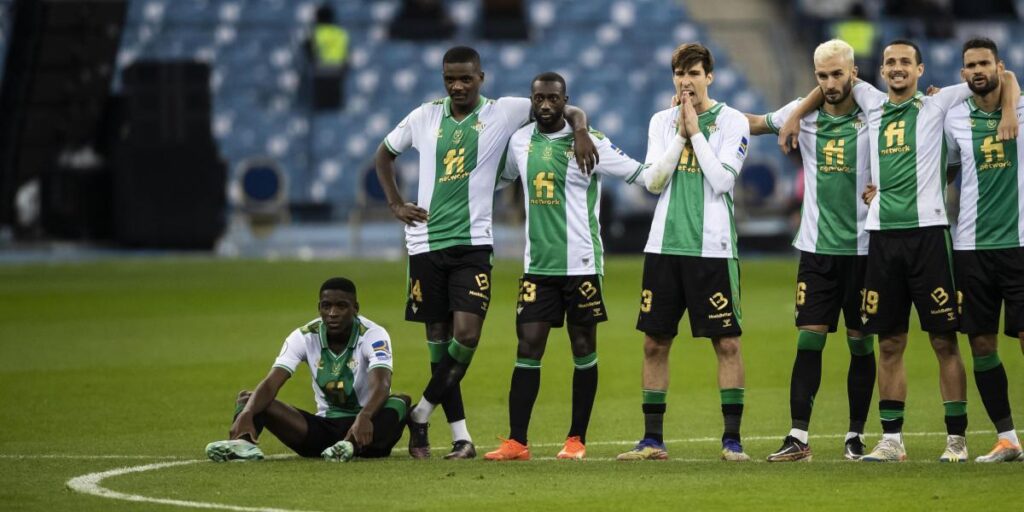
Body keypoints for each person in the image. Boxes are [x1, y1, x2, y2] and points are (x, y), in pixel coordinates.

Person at [779, 39, 1019, 462]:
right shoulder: (870, 100)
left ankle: (956, 441)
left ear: (921, 70)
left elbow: (1004, 77)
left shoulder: (938, 104)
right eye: (889, 62)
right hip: (883, 239)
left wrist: (1008, 109)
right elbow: (830, 84)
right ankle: (892, 440)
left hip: (929, 236)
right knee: (889, 342)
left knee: (944, 341)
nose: (896, 68)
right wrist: (797, 113)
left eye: (905, 62)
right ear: (880, 71)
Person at [375, 46, 599, 459]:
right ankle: (459, 436)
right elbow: (384, 154)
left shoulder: (506, 111)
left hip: (473, 245)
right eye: (449, 79)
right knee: (438, 341)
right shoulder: (424, 116)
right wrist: (395, 204)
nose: (457, 86)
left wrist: (582, 130)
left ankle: (421, 411)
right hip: (424, 243)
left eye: (465, 78)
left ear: (481, 77)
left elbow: (563, 109)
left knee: (466, 335)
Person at [483, 72, 678, 461]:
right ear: (531, 100)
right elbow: (496, 179)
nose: (545, 105)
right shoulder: (520, 141)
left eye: (553, 99)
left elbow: (647, 178)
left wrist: (678, 140)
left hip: (582, 265)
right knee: (528, 346)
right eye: (538, 98)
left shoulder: (593, 144)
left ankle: (576, 440)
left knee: (583, 347)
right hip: (538, 266)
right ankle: (516, 441)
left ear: (564, 99)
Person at [617, 43, 753, 462]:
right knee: (654, 343)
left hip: (712, 249)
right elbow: (654, 181)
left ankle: (732, 440)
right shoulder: (661, 121)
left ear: (709, 76)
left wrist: (696, 131)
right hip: (663, 246)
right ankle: (652, 440)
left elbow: (722, 181)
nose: (685, 81)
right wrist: (679, 132)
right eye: (679, 73)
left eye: (693, 73)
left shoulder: (733, 122)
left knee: (726, 343)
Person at [746, 39, 876, 462]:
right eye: (822, 76)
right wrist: (697, 114)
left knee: (861, 345)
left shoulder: (874, 113)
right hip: (817, 250)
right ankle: (798, 436)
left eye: (838, 74)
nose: (831, 83)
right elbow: (752, 123)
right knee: (809, 342)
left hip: (864, 250)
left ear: (853, 72)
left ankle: (855, 436)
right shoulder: (801, 114)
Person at [205, 278, 409, 463]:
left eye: (341, 306)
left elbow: (382, 384)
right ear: (319, 308)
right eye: (326, 306)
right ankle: (242, 445)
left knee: (400, 402)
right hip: (323, 429)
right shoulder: (303, 336)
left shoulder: (373, 334)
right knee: (247, 399)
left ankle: (349, 446)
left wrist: (364, 417)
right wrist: (248, 412)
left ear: (355, 308)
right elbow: (271, 383)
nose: (333, 313)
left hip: (369, 428)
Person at [943, 37, 1023, 463]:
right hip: (971, 245)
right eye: (970, 65)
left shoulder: (1022, 108)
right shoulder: (955, 119)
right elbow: (945, 169)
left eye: (984, 64)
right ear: (962, 74)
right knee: (981, 342)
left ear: (999, 66)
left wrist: (1010, 105)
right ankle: (1007, 438)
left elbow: (1013, 84)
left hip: (1019, 243)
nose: (978, 70)